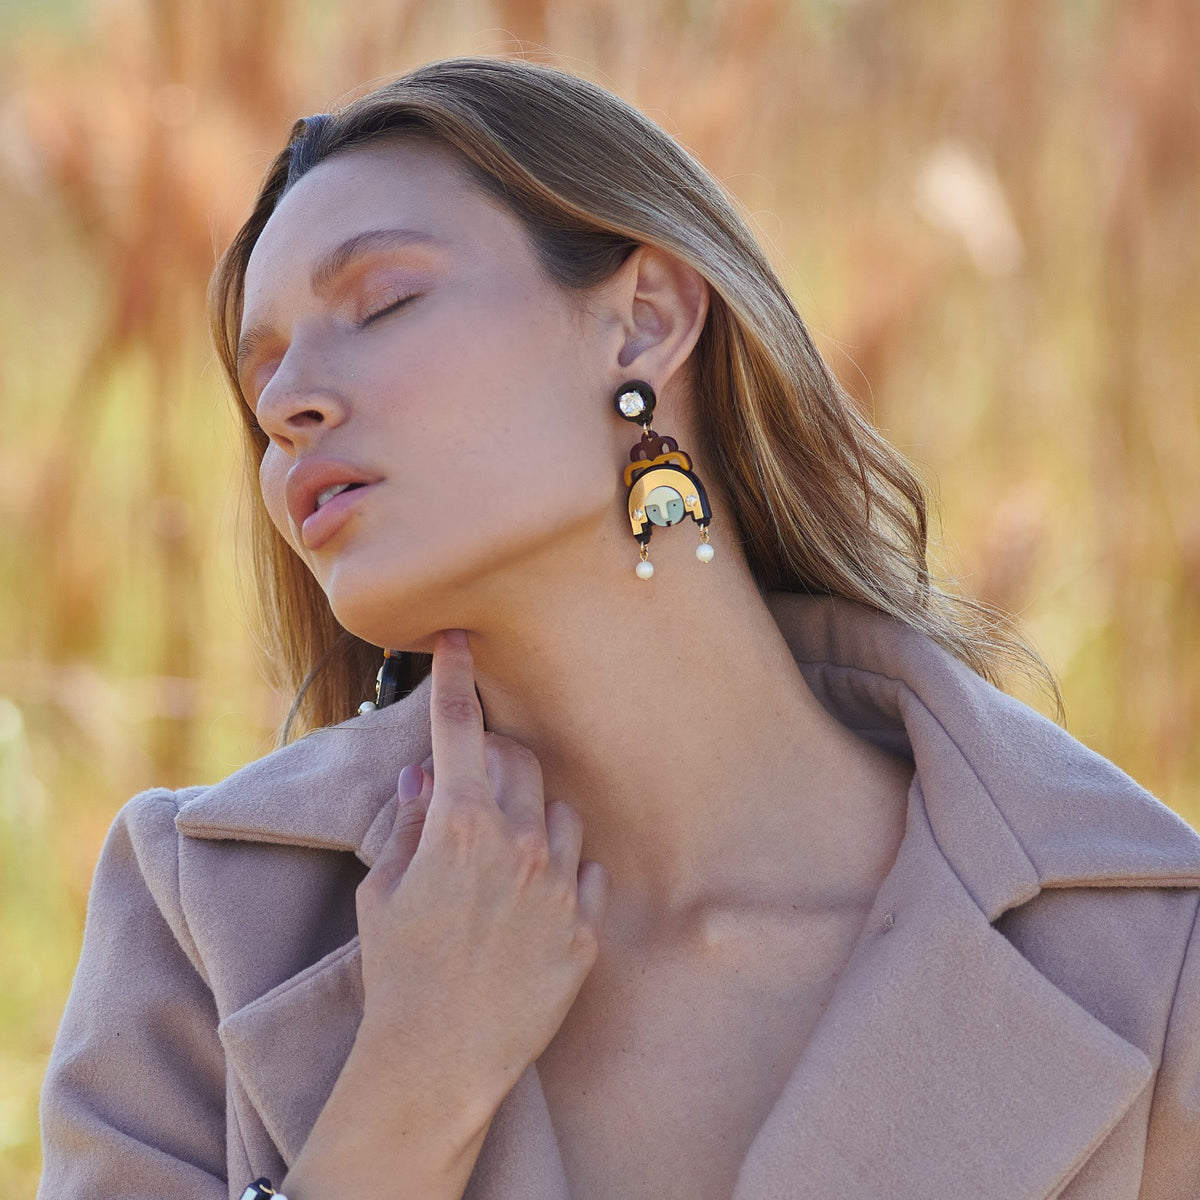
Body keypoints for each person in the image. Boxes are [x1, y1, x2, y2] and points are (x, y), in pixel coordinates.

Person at [38, 57, 1200, 1200]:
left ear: (644, 323)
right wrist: (413, 1089)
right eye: (262, 383)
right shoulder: (206, 925)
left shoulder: (1150, 960)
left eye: (383, 303)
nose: (290, 404)